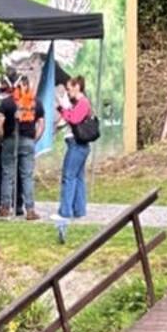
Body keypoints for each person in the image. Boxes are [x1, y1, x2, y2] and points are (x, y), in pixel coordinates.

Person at [0, 69, 43, 220]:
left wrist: (1, 137)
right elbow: (42, 123)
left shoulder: (7, 102)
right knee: (27, 176)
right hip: (28, 140)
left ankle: (5, 207)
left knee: (8, 174)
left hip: (10, 140)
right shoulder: (35, 102)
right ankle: (30, 210)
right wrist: (35, 138)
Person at [55, 74, 94, 240]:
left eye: (70, 89)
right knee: (78, 177)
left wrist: (64, 109)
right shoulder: (78, 103)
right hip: (77, 145)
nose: (68, 92)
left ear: (77, 86)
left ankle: (65, 211)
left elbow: (74, 119)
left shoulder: (83, 102)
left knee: (68, 176)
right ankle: (79, 209)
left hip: (77, 145)